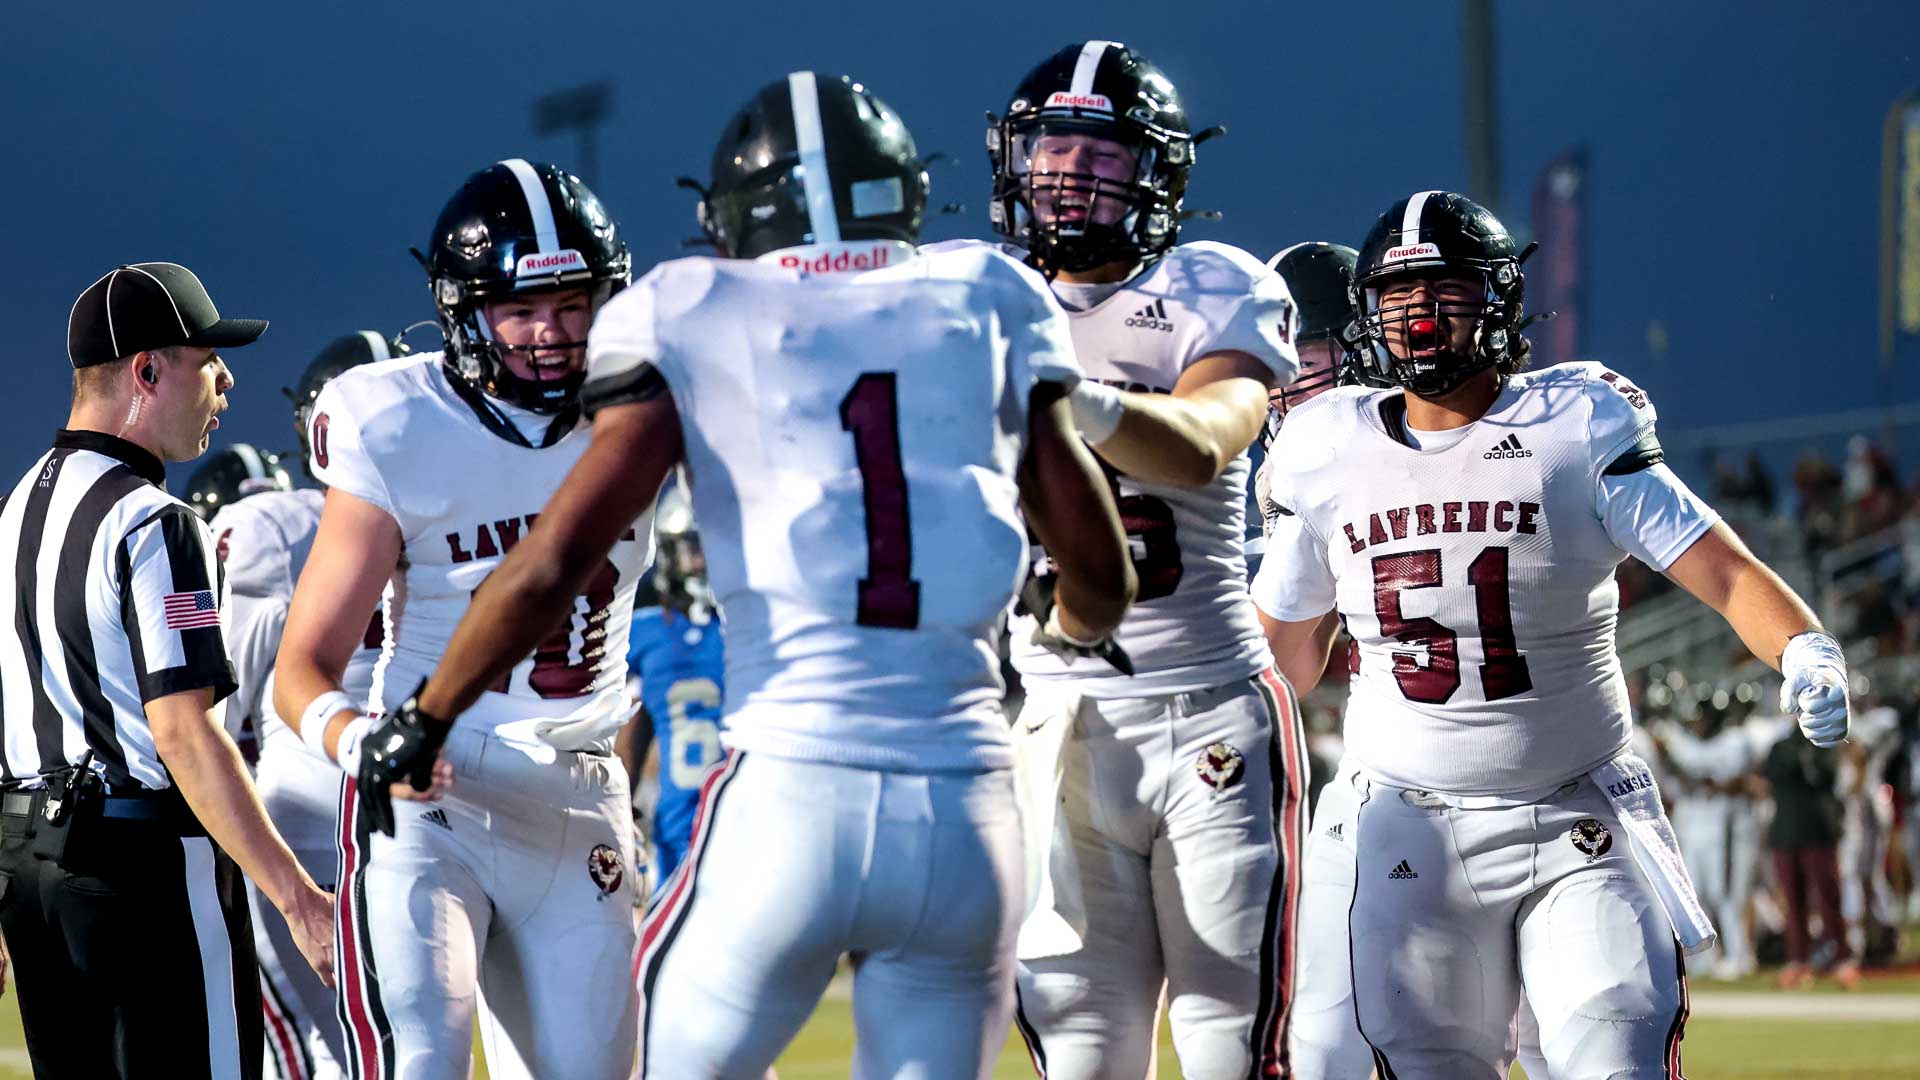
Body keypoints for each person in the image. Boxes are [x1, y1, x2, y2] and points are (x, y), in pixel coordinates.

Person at [352, 72, 1136, 1078]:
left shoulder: (695, 307)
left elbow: (552, 564)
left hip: (792, 788)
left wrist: (426, 715)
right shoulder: (990, 293)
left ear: (734, 215)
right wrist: (1069, 629)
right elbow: (1100, 571)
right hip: (966, 811)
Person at [1252, 190, 1852, 1077]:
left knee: (1615, 1053)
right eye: (1398, 295)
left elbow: (1724, 571)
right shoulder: (1323, 448)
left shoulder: (1572, 423)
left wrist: (1804, 646)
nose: (1419, 315)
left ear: (1498, 297)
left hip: (1575, 816)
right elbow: (1276, 661)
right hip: (1406, 826)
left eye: (1445, 289)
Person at [929, 41, 1305, 1079]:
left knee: (1233, 1044)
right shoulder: (973, 293)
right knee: (1082, 1051)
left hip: (1208, 709)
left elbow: (1202, 443)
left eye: (1101, 155)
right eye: (1052, 150)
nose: (1069, 176)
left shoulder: (1214, 285)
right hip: (1051, 715)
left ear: (1156, 175)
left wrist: (1067, 397)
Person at [272, 162, 651, 1080]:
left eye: (571, 304)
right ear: (464, 312)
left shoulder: (645, 408)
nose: (550, 333)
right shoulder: (397, 421)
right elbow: (301, 669)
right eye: (521, 309)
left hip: (579, 789)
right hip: (431, 791)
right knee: (421, 1060)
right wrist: (362, 742)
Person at [0, 262, 333, 1079]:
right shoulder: (155, 521)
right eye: (208, 360)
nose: (226, 381)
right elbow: (183, 732)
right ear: (147, 372)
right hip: (138, 863)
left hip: (26, 861)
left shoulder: (14, 510)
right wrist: (299, 900)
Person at [211, 331, 399, 1079]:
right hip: (381, 808)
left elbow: (222, 708)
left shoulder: (273, 528)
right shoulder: (453, 505)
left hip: (320, 813)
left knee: (335, 1051)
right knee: (375, 1047)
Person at [624, 480, 725, 894]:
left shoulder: (750, 629)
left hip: (752, 817)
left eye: (707, 547)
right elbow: (632, 724)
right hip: (679, 825)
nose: (698, 562)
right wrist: (621, 804)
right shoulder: (648, 631)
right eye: (690, 547)